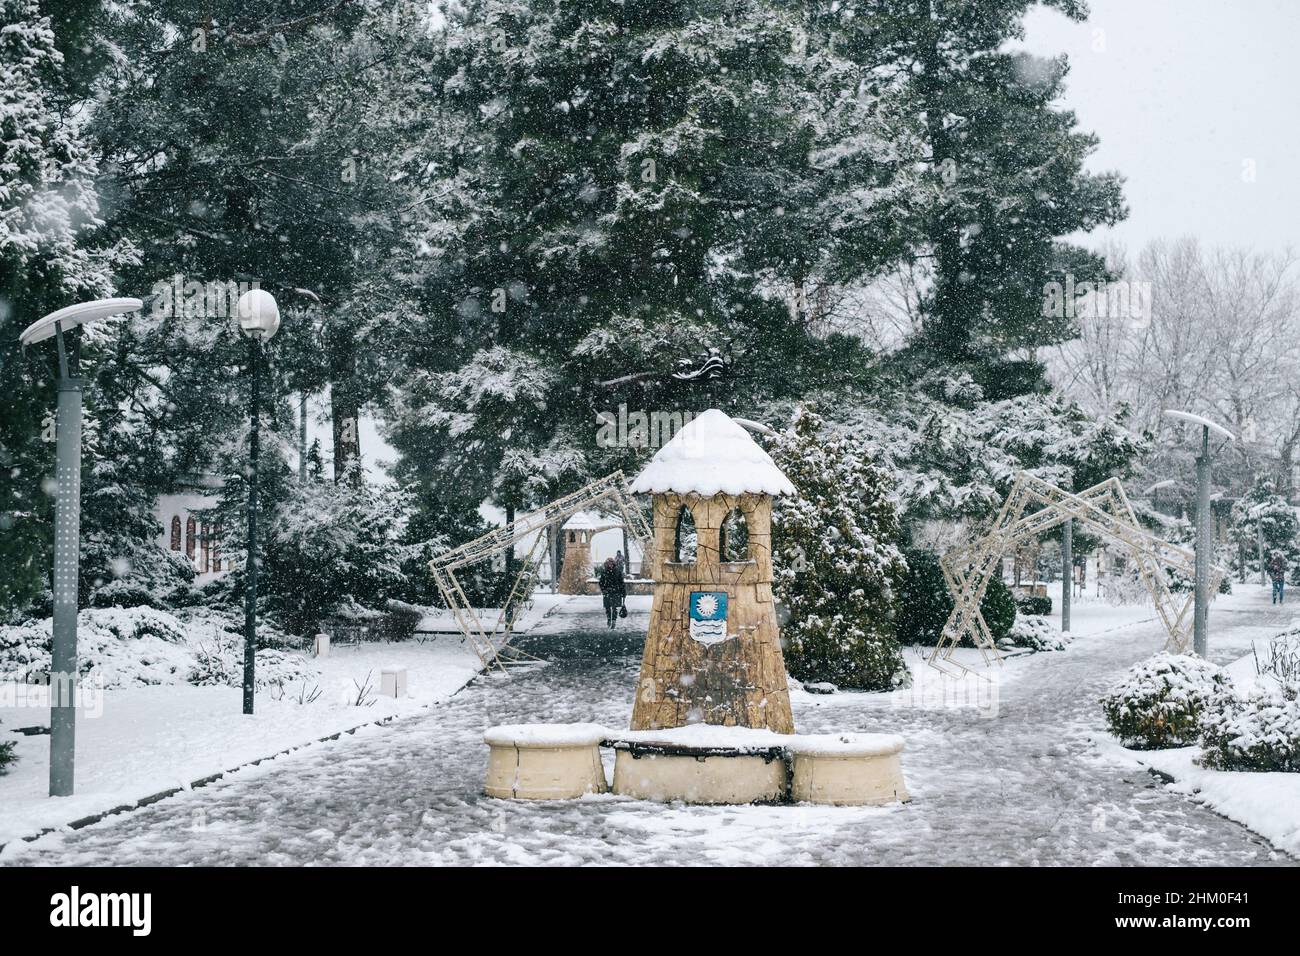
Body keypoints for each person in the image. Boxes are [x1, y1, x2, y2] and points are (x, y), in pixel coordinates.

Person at [598, 556, 626, 629]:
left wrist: (623, 592)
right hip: (607, 592)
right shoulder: (604, 572)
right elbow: (601, 582)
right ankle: (609, 620)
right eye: (608, 563)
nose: (610, 565)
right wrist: (604, 590)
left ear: (613, 564)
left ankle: (613, 621)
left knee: (614, 608)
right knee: (607, 607)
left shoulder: (617, 571)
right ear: (606, 564)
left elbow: (621, 583)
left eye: (611, 563)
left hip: (616, 592)